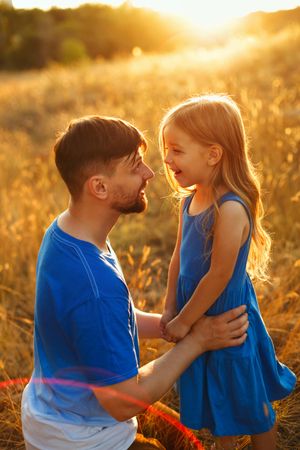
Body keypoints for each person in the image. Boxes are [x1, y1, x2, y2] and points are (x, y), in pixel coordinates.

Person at [21, 115, 249, 450]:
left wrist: (166, 325)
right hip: (83, 438)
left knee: (181, 428)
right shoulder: (95, 286)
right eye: (135, 167)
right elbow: (123, 402)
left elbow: (104, 322)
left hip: (53, 414)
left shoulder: (66, 232)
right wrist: (199, 340)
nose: (150, 174)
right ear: (99, 187)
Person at [159, 94, 297, 450]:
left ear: (213, 154)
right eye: (166, 149)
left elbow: (219, 275)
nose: (167, 158)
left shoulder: (230, 208)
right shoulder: (191, 200)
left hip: (225, 317)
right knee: (221, 399)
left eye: (176, 149)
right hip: (195, 312)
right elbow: (178, 257)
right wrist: (169, 306)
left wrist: (185, 322)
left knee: (250, 403)